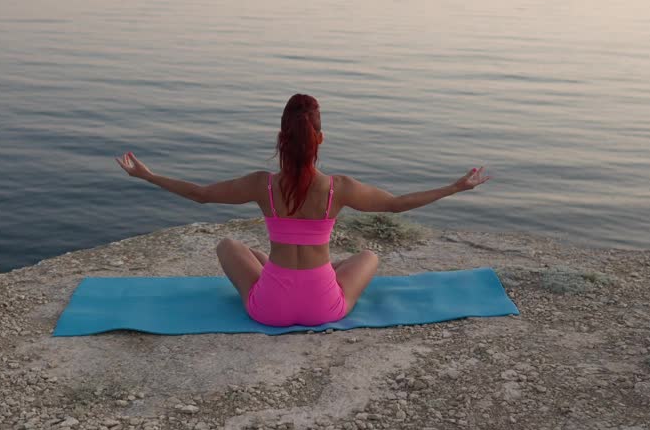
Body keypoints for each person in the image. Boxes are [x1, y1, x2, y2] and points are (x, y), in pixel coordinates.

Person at [115, 93, 490, 326]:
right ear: (320, 138)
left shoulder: (261, 184)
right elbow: (396, 205)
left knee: (228, 246)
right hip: (324, 306)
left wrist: (148, 175)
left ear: (281, 139)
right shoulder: (338, 188)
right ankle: (323, 271)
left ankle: (286, 272)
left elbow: (200, 194)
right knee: (369, 256)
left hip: (269, 308)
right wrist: (456, 187)